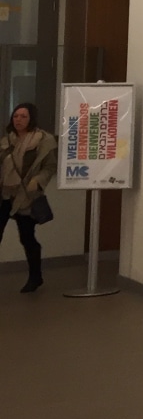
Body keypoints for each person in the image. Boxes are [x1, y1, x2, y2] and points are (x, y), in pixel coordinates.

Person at [0, 103, 57, 293]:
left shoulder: (43, 140)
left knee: (27, 237)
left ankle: (35, 277)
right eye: (16, 116)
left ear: (31, 118)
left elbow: (49, 167)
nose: (18, 120)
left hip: (26, 196)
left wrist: (38, 181)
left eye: (23, 116)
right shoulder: (7, 140)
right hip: (4, 195)